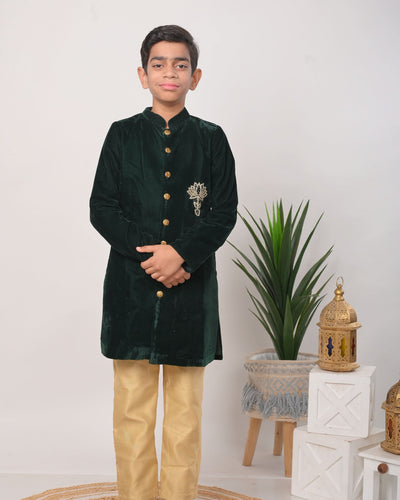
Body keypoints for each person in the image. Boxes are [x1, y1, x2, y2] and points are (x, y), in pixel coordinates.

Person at [90, 25, 237, 500]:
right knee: (132, 413)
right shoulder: (121, 135)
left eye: (180, 64)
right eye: (159, 64)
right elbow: (102, 208)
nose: (169, 72)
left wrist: (182, 256)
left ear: (195, 77)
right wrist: (153, 256)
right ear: (143, 74)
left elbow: (223, 212)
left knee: (184, 416)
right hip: (130, 295)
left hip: (191, 298)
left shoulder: (212, 139)